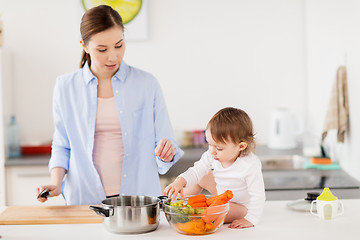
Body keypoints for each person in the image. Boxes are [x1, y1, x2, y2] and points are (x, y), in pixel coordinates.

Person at [36, 5, 183, 205]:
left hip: (138, 200)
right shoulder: (65, 87)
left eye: (119, 45)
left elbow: (166, 143)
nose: (113, 56)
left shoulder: (147, 84)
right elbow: (63, 144)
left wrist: (166, 152)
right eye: (102, 49)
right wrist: (56, 182)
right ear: (84, 45)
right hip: (85, 198)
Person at [164, 107, 265, 229]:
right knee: (201, 176)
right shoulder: (212, 154)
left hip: (239, 206)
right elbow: (196, 171)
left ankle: (194, 213)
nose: (212, 151)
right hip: (223, 193)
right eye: (209, 144)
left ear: (241, 146)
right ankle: (178, 200)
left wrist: (250, 219)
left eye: (219, 148)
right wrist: (180, 181)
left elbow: (258, 195)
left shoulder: (249, 165)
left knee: (210, 213)